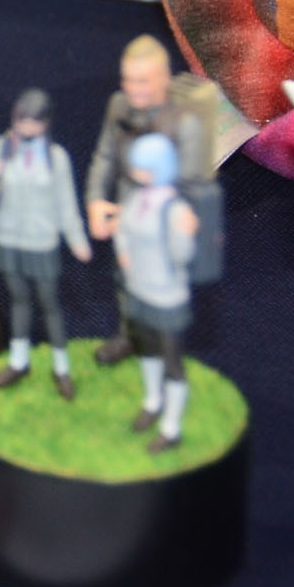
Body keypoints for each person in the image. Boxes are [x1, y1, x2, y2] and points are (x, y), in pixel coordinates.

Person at [84, 35, 208, 365]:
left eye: (142, 81)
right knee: (126, 278)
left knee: (162, 288)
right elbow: (104, 157)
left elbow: (193, 184)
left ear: (164, 78)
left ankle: (165, 351)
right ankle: (130, 336)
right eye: (127, 80)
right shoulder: (118, 105)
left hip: (166, 222)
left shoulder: (185, 123)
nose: (133, 89)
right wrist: (95, 201)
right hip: (126, 217)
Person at [0, 88, 91, 398]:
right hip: (7, 238)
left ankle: (61, 367)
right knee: (18, 300)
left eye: (33, 121)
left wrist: (76, 239)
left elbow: (66, 203)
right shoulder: (2, 146)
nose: (26, 127)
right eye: (21, 120)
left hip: (42, 241)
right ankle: (19, 361)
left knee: (50, 304)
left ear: (45, 123)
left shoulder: (56, 158)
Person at [113, 133, 199, 452]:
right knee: (147, 349)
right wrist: (124, 253)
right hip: (139, 289)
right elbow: (123, 230)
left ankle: (172, 427)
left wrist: (185, 234)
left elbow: (183, 255)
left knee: (172, 360)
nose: (136, 172)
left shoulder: (175, 209)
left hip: (167, 297)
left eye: (143, 167)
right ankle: (152, 401)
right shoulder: (137, 199)